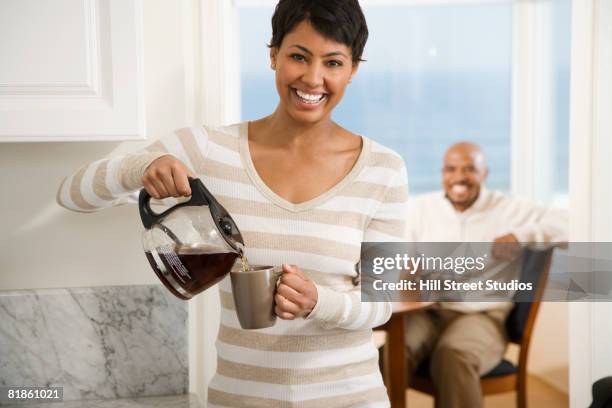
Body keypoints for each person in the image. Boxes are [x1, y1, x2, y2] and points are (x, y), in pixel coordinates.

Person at [57, 1, 408, 407]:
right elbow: (72, 194)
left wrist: (318, 303)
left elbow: (380, 304)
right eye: (298, 56)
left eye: (333, 63)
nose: (313, 78)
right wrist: (141, 168)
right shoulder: (209, 151)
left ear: (352, 70)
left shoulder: (383, 170)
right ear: (273, 55)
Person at [403, 142, 567, 408]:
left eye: (469, 169)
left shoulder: (510, 208)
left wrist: (521, 236)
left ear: (485, 174)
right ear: (442, 173)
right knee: (390, 354)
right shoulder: (421, 208)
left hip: (482, 315)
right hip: (427, 310)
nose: (459, 177)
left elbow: (572, 220)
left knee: (454, 354)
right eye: (451, 169)